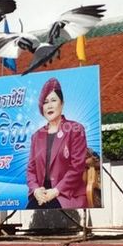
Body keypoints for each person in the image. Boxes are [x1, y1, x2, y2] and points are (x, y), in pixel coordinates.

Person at [26, 77, 89, 210]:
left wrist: (55, 191)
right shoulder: (36, 136)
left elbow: (77, 168)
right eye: (45, 102)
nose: (49, 105)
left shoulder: (75, 129)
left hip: (67, 195)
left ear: (62, 103)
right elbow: (31, 170)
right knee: (30, 210)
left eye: (53, 100)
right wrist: (36, 190)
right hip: (42, 196)